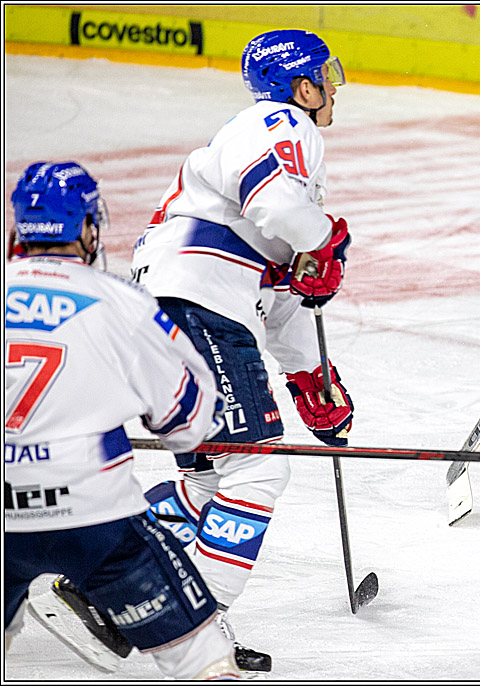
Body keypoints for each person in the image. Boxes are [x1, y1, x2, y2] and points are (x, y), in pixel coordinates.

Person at [118, 29, 353, 671]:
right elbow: (277, 207)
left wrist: (313, 382)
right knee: (257, 469)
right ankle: (188, 626)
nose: (335, 86)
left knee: (206, 476)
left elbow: (276, 298)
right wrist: (323, 240)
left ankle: (117, 589)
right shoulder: (280, 122)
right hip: (197, 308)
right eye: (325, 74)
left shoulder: (272, 148)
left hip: (167, 309)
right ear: (300, 85)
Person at [4, 161, 238, 679]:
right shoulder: (119, 302)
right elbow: (191, 422)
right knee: (203, 659)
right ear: (88, 228)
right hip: (95, 519)